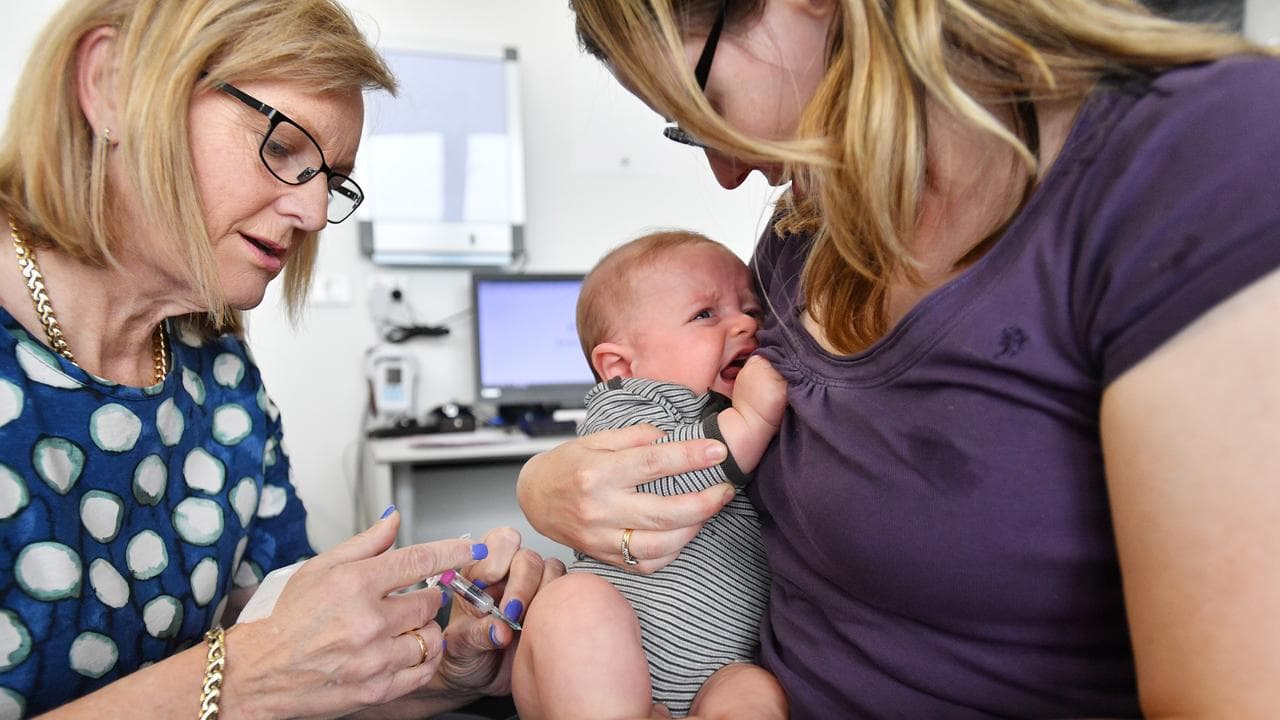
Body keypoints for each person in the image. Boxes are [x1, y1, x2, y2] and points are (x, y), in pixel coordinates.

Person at [517, 0, 1280, 716]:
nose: (724, 171)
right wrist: (544, 484)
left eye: (703, 106)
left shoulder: (1200, 160)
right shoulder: (802, 239)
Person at [0, 1, 562, 717]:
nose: (313, 212)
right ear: (111, 86)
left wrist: (444, 669)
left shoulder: (217, 372)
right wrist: (242, 676)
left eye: (332, 177)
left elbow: (290, 661)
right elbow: (253, 675)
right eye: (283, 147)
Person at [511, 231, 787, 719]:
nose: (746, 322)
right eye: (705, 314)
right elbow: (653, 478)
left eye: (752, 309)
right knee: (571, 603)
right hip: (613, 654)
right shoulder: (632, 406)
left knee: (757, 693)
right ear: (621, 366)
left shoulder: (735, 409)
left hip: (718, 670)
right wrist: (749, 421)